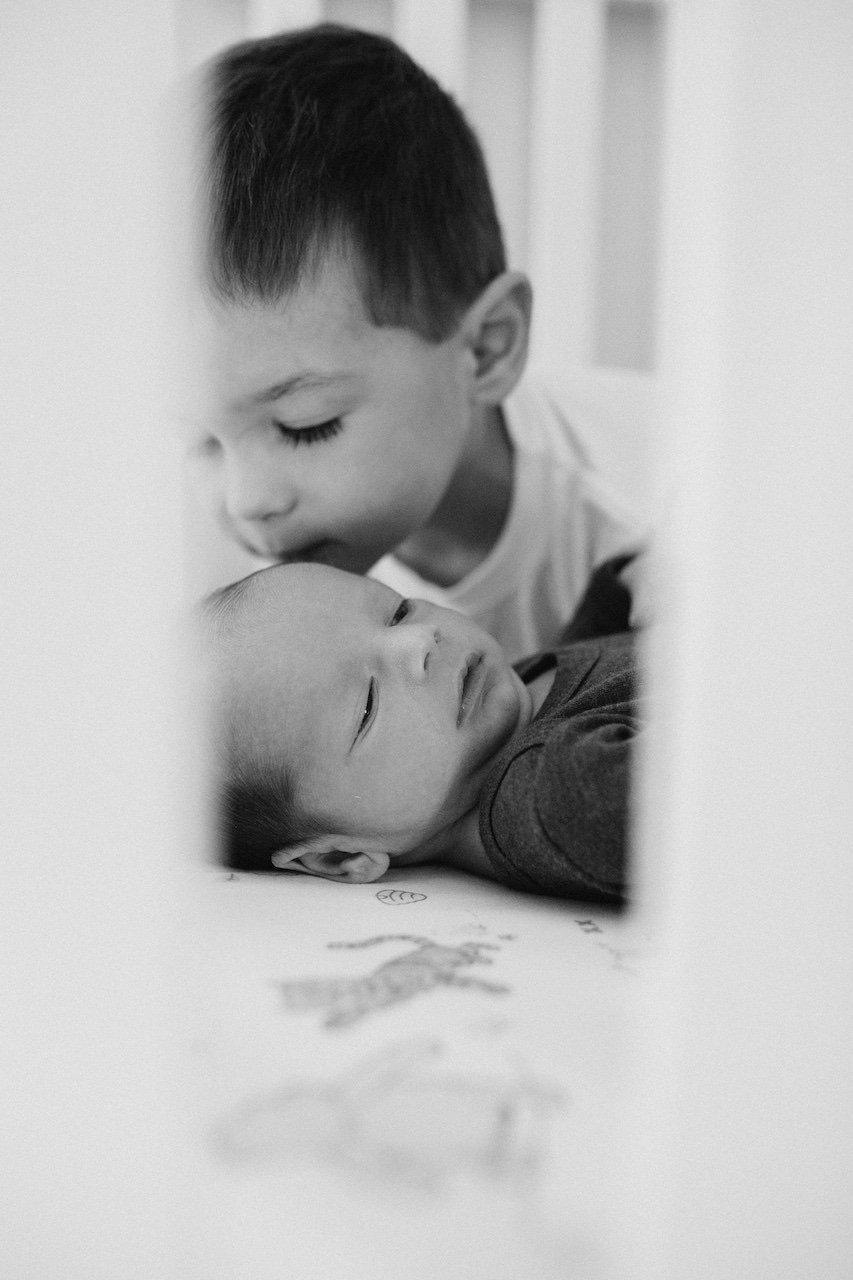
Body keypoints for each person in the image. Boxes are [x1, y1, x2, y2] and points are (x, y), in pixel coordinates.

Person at [189, 23, 645, 662]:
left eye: (305, 426)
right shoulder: (279, 584)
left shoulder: (660, 529)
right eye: (201, 440)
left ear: (486, 348)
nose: (247, 501)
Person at [203, 557, 642, 904]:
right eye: (369, 705)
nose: (419, 642)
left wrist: (625, 581)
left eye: (397, 612)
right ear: (340, 855)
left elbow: (594, 656)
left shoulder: (513, 692)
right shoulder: (556, 795)